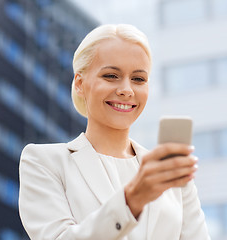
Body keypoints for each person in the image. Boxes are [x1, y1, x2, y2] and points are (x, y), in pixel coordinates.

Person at [19, 24, 210, 240]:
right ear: (80, 84)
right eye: (111, 76)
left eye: (138, 79)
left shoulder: (170, 174)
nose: (126, 90)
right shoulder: (44, 162)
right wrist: (132, 200)